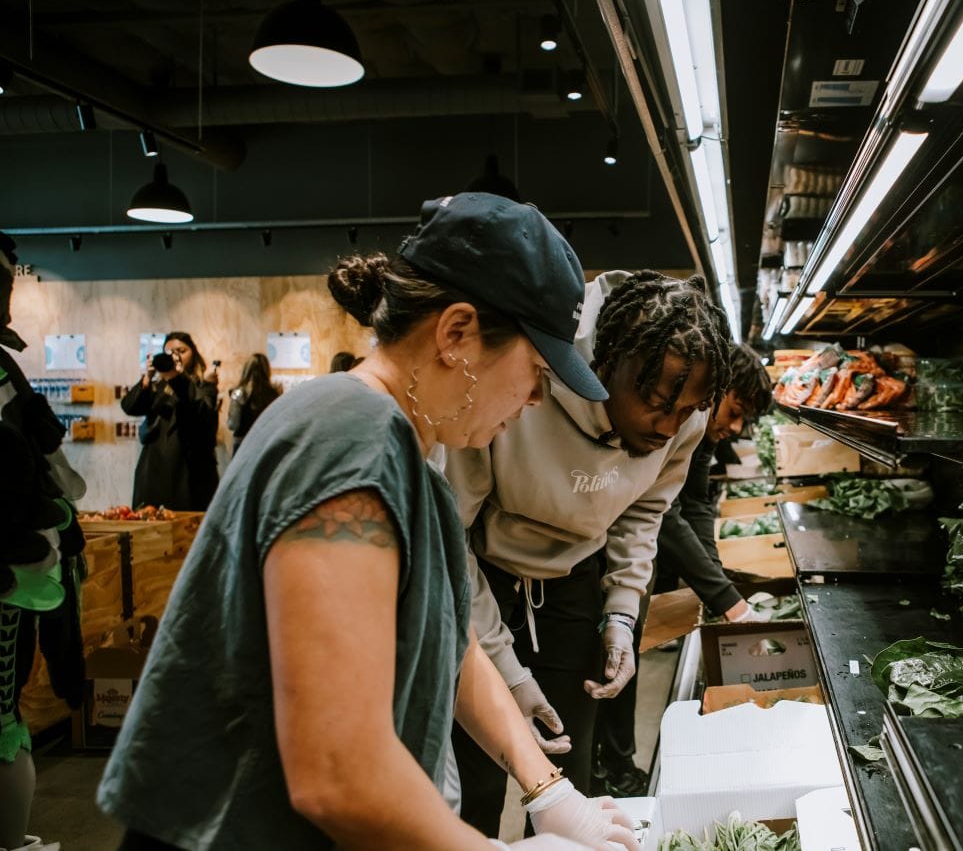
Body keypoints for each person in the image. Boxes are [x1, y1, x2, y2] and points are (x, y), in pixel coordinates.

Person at [96, 194, 638, 851]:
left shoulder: (409, 453)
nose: (532, 401)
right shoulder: (349, 439)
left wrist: (545, 785)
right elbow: (336, 773)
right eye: (536, 373)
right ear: (455, 334)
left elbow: (447, 635)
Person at [448, 270, 732, 836]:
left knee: (568, 780)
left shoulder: (682, 419)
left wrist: (622, 615)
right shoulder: (523, 383)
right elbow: (449, 544)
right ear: (606, 365)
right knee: (476, 780)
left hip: (576, 580)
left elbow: (644, 513)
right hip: (480, 578)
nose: (670, 428)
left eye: (689, 412)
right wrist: (508, 675)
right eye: (656, 403)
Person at [591, 343, 774, 796]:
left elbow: (693, 507)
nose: (734, 428)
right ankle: (602, 774)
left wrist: (723, 591)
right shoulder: (680, 421)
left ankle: (616, 766)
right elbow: (664, 515)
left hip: (634, 559)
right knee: (603, 663)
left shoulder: (702, 437)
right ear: (717, 387)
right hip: (605, 556)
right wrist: (728, 602)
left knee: (624, 655)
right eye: (735, 411)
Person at [1, 230, 85, 851]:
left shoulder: (4, 366)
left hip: (13, 561)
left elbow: (42, 460)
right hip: (11, 552)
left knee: (4, 716)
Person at [120, 332, 219, 511]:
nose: (176, 356)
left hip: (189, 472)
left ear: (193, 354)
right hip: (153, 470)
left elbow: (201, 410)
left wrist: (176, 378)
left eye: (182, 350)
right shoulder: (157, 387)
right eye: (170, 352)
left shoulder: (203, 385)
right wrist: (147, 378)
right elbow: (129, 407)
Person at [226, 353, 280, 454]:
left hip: (242, 444)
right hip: (265, 443)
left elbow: (233, 424)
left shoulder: (239, 393)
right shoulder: (274, 393)